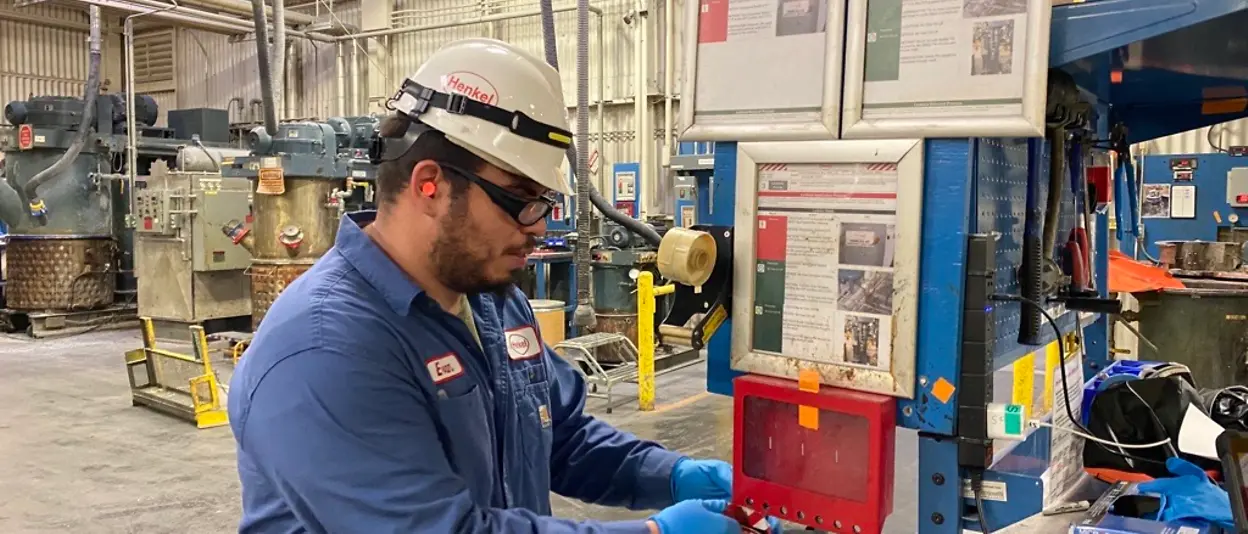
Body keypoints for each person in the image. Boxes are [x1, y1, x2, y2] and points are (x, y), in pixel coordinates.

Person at [228, 38, 775, 534]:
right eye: (519, 198)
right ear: (430, 186)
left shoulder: (494, 300)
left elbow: (560, 437)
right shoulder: (327, 349)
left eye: (545, 201)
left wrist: (676, 476)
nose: (538, 225)